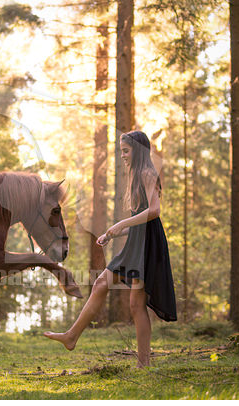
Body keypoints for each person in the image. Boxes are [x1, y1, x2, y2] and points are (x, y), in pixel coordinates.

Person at [44, 130, 177, 368]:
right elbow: (140, 220)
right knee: (101, 284)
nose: (123, 155)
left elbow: (155, 213)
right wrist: (112, 233)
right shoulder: (136, 175)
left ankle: (143, 364)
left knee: (136, 304)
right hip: (138, 241)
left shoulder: (147, 173)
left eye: (126, 151)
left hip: (148, 246)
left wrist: (121, 223)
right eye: (121, 151)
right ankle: (72, 336)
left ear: (138, 150)